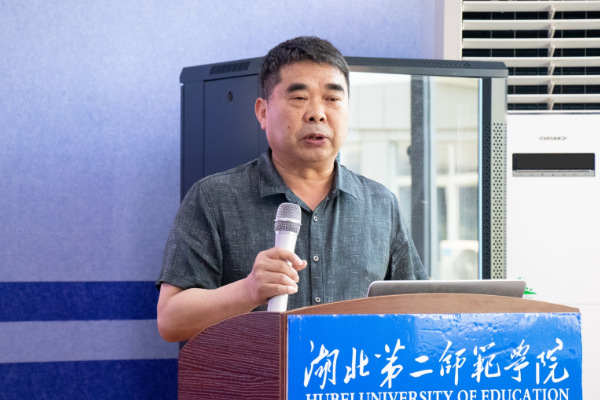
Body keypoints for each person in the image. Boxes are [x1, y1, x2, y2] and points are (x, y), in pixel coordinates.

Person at [156, 36, 427, 342]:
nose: (317, 113)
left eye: (333, 99)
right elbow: (171, 320)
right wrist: (248, 291)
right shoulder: (213, 198)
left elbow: (421, 311)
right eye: (299, 98)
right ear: (262, 112)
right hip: (257, 374)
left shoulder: (380, 203)